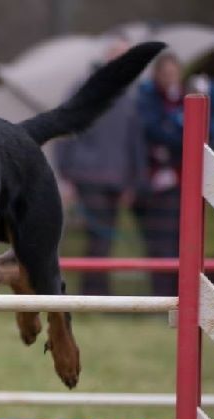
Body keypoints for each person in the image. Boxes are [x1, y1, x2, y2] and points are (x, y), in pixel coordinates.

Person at [56, 38, 148, 295]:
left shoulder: (130, 94)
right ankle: (94, 295)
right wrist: (66, 175)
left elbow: (135, 141)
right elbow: (64, 129)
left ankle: (95, 294)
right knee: (99, 240)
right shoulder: (84, 88)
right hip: (87, 176)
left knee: (103, 241)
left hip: (118, 180)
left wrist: (134, 182)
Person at [137, 53, 214, 296]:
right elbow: (157, 132)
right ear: (157, 75)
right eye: (164, 73)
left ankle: (189, 296)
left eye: (173, 73)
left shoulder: (189, 93)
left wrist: (206, 85)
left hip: (193, 183)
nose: (169, 78)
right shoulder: (149, 98)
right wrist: (180, 129)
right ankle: (165, 299)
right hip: (161, 189)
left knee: (192, 247)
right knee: (162, 248)